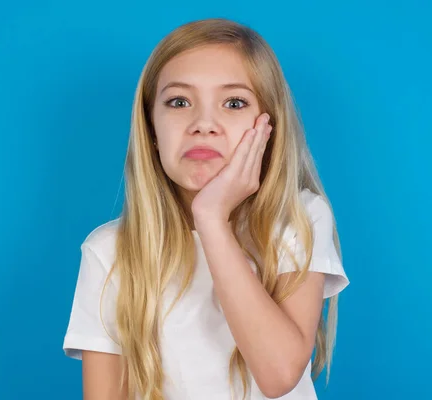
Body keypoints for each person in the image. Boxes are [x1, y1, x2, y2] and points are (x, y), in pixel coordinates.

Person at [62, 17, 350, 400]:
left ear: (269, 128)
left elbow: (278, 374)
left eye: (234, 102)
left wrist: (212, 220)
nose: (203, 124)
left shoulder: (298, 218)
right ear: (151, 131)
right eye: (179, 102)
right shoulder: (109, 250)